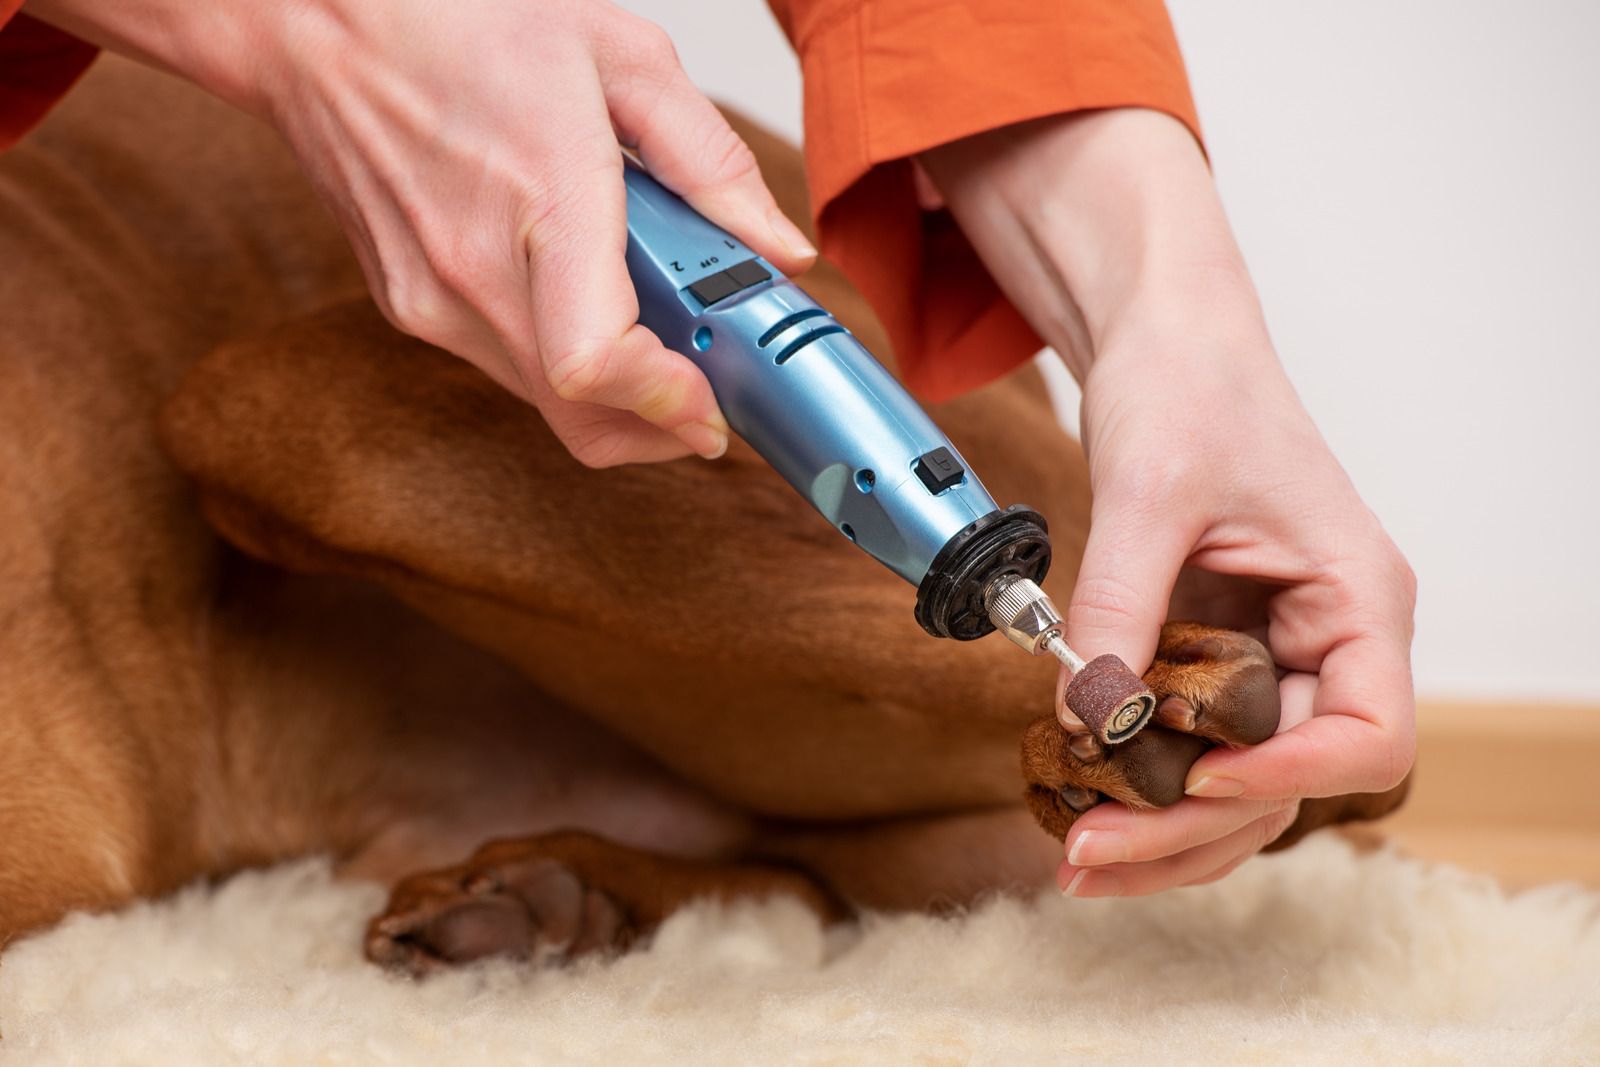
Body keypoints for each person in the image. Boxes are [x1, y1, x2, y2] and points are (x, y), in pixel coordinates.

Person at [1, 0, 1415, 898]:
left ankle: (1208, 709)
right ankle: (776, 876)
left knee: (311, 426)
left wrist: (1166, 309)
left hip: (529, 340)